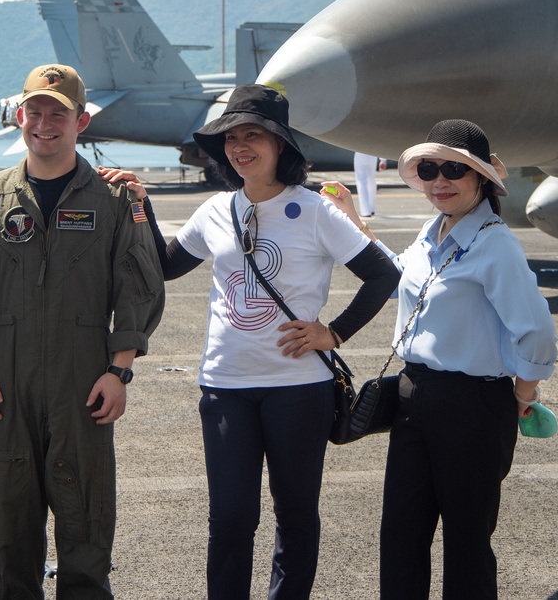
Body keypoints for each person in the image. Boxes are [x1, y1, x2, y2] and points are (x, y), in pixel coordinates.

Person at [101, 84, 400, 600]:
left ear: (281, 145)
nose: (240, 146)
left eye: (253, 135)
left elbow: (382, 274)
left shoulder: (313, 210)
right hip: (225, 386)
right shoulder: (217, 209)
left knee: (296, 513)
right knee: (231, 517)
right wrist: (141, 207)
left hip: (299, 388)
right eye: (232, 138)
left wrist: (334, 332)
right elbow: (167, 267)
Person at [322, 119, 557, 599]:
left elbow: (536, 331)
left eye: (454, 169)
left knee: (467, 543)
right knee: (401, 534)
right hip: (414, 395)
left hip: (474, 404)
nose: (439, 181)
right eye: (429, 170)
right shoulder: (433, 232)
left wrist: (523, 394)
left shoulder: (496, 244)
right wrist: (352, 220)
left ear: (482, 180)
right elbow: (397, 275)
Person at [0, 64, 165, 599]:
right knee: (11, 530)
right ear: (20, 117)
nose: (45, 124)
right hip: (8, 384)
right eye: (35, 111)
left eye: (59, 114)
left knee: (86, 524)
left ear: (82, 121)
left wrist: (120, 372)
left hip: (84, 379)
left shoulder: (116, 200)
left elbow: (137, 292)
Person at [353, 151, 387, 218]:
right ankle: (371, 208)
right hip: (372, 154)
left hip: (360, 153)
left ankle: (365, 211)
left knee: (361, 181)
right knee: (371, 179)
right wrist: (383, 160)